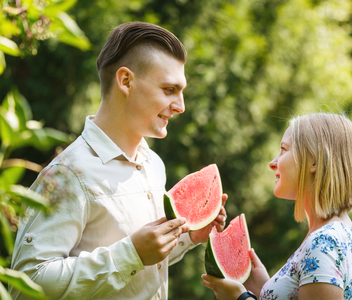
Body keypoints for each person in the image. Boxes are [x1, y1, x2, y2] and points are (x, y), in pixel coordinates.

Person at [9, 22, 227, 299]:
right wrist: (130, 255)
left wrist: (187, 237)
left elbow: (143, 266)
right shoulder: (69, 174)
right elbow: (28, 282)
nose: (181, 105)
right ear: (125, 81)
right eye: (169, 89)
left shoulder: (153, 165)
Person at [202, 113, 352, 300]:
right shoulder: (341, 232)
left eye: (283, 150)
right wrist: (265, 290)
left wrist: (241, 299)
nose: (272, 163)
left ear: (314, 161)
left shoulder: (323, 243)